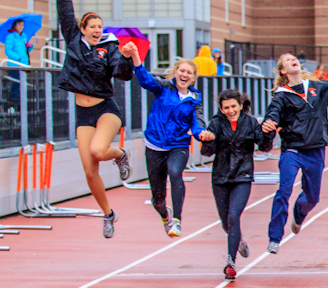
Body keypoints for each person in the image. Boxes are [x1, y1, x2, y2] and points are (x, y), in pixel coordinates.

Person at [57, 0, 134, 238]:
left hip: (105, 109)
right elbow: (65, 11)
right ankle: (108, 214)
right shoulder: (72, 38)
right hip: (83, 113)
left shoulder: (109, 45)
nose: (97, 30)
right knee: (90, 172)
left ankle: (120, 154)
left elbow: (121, 74)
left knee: (99, 151)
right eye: (93, 26)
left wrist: (125, 57)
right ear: (82, 28)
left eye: (100, 26)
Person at [261, 53, 328, 254]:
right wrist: (269, 124)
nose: (293, 60)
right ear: (283, 70)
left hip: (315, 150)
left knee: (312, 197)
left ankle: (299, 216)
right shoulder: (281, 95)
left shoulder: (317, 87)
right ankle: (274, 237)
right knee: (284, 190)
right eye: (287, 60)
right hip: (292, 149)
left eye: (294, 58)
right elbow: (272, 114)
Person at [127, 47, 214, 238]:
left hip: (178, 145)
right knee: (157, 199)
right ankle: (165, 216)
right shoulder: (164, 88)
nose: (185, 74)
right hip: (155, 145)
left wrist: (202, 134)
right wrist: (135, 55)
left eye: (189, 73)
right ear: (176, 73)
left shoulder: (194, 99)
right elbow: (145, 79)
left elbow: (197, 123)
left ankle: (177, 221)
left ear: (193, 78)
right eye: (182, 71)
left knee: (175, 173)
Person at [201, 89, 275, 279]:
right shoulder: (216, 123)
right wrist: (206, 140)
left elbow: (264, 146)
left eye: (233, 106)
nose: (230, 110)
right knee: (227, 223)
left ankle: (230, 263)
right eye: (226, 107)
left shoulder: (250, 122)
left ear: (241, 106)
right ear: (221, 108)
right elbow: (207, 153)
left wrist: (269, 133)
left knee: (234, 216)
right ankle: (238, 240)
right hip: (220, 177)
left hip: (242, 176)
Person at [4, 18, 33, 104]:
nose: (21, 27)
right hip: (15, 65)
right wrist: (18, 58)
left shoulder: (23, 36)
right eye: (20, 25)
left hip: (24, 65)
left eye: (22, 25)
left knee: (22, 85)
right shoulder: (11, 36)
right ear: (15, 25)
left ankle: (22, 102)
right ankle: (14, 101)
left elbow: (26, 50)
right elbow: (8, 50)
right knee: (16, 84)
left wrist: (30, 46)